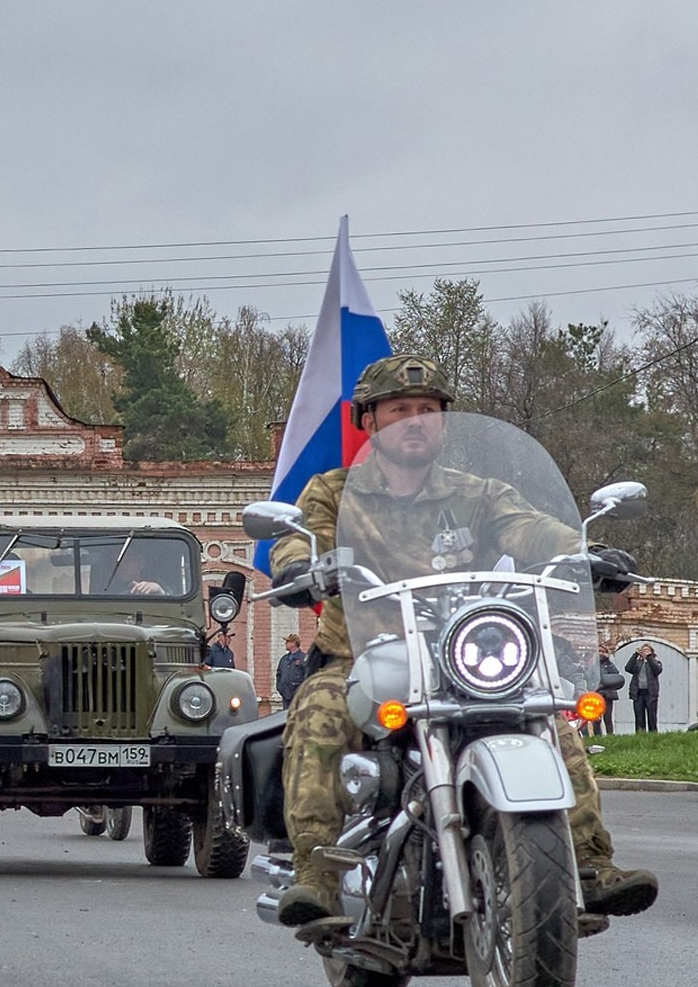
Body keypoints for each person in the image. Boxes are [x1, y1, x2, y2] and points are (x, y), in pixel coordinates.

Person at [263, 354, 656, 928]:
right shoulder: (334, 492)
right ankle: (316, 874)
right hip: (364, 656)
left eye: (428, 410)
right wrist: (301, 566)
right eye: (399, 410)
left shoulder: (478, 493)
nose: (415, 421)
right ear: (368, 421)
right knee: (318, 714)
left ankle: (591, 865)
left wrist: (582, 551)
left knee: (550, 718)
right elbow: (300, 540)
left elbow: (528, 527)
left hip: (463, 656)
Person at [625, 643, 662, 734]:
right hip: (638, 694)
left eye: (647, 650)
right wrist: (635, 655)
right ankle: (640, 734)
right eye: (643, 650)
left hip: (650, 694)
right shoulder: (637, 663)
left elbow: (657, 670)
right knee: (639, 716)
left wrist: (649, 658)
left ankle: (653, 734)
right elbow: (628, 668)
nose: (645, 652)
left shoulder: (656, 662)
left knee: (652, 716)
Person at [274, 633, 309, 711]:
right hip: (286, 694)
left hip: (299, 696)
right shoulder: (284, 659)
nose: (285, 644)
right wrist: (280, 688)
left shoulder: (303, 658)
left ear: (293, 643)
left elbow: (308, 675)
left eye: (287, 642)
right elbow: (279, 674)